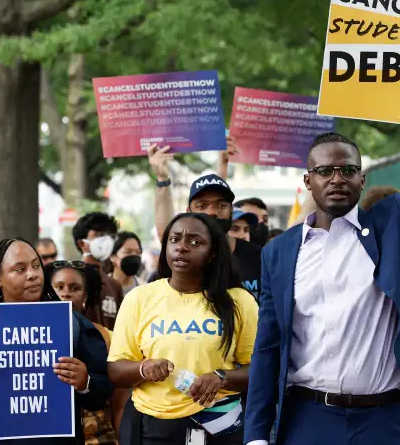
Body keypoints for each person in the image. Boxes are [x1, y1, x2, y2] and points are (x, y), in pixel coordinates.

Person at [244, 51, 400, 445]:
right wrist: (256, 436)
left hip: (385, 420)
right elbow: (268, 346)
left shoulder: (394, 225)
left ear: (362, 180)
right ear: (307, 180)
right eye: (325, 171)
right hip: (308, 419)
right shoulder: (278, 252)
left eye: (348, 170)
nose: (337, 178)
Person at [0, 238, 113, 445]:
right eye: (20, 269)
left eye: (36, 266)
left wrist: (85, 382)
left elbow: (101, 392)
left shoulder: (70, 325)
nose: (33, 274)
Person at [108, 213, 258, 444]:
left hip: (220, 425)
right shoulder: (140, 298)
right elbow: (116, 371)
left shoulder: (239, 301)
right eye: (175, 240)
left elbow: (259, 368)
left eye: (195, 242)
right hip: (153, 426)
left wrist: (221, 378)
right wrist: (144, 368)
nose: (182, 247)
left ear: (213, 253)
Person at [148, 152, 263, 299]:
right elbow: (165, 232)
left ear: (231, 211)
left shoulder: (260, 257)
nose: (212, 212)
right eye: (202, 206)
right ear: (188, 212)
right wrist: (163, 179)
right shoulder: (180, 260)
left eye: (221, 205)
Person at [50, 260, 130, 445]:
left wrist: (86, 382)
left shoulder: (107, 338)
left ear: (85, 296)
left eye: (75, 288)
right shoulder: (31, 337)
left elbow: (119, 402)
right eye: (58, 287)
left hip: (99, 437)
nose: (65, 293)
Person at [72, 212, 125, 329]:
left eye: (108, 235)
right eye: (98, 234)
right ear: (82, 244)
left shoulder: (114, 286)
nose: (105, 240)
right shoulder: (70, 279)